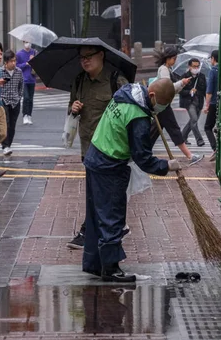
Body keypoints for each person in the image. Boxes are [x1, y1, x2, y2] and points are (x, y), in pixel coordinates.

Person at [82, 78, 181, 282]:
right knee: (112, 216)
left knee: (96, 215)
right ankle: (110, 268)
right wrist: (166, 166)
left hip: (95, 157)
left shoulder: (127, 93)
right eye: (160, 104)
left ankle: (94, 263)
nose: (160, 109)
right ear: (151, 96)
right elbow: (142, 157)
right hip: (109, 166)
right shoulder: (138, 116)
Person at [66, 45, 128, 250]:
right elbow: (71, 109)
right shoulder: (79, 80)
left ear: (101, 55)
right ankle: (109, 229)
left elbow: (130, 112)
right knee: (96, 193)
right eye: (81, 57)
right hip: (88, 147)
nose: (85, 61)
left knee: (103, 193)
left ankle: (94, 232)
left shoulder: (116, 80)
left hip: (110, 149)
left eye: (89, 56)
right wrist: (74, 108)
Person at [150, 47, 203, 165]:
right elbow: (166, 88)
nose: (175, 60)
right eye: (174, 58)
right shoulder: (164, 70)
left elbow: (173, 89)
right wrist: (181, 82)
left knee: (153, 131)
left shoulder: (168, 69)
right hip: (163, 105)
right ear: (168, 58)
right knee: (174, 129)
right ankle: (189, 155)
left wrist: (182, 84)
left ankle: (142, 152)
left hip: (162, 105)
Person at [0, 50, 24, 156]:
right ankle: (5, 146)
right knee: (6, 123)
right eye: (11, 61)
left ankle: (8, 145)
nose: (13, 63)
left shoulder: (19, 71)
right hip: (4, 101)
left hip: (15, 102)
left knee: (12, 126)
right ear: (6, 63)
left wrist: (19, 97)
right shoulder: (0, 72)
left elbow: (21, 86)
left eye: (15, 61)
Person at [179, 58, 207, 147]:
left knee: (192, 121)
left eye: (197, 66)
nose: (196, 68)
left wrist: (208, 103)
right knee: (194, 119)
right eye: (194, 66)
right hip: (189, 102)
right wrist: (189, 91)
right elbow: (180, 91)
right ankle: (199, 140)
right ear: (189, 67)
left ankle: (182, 137)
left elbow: (205, 90)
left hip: (199, 102)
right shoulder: (184, 76)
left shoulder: (201, 76)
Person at [204, 50, 219, 162]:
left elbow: (209, 91)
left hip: (214, 103)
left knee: (207, 127)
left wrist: (207, 105)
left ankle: (215, 148)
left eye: (211, 58)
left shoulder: (213, 71)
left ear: (213, 58)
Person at [16, 41, 36, 125]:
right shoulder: (19, 54)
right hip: (24, 79)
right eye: (26, 42)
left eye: (30, 42)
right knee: (26, 98)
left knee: (31, 99)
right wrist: (26, 63)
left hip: (32, 79)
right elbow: (17, 66)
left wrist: (33, 60)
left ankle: (29, 115)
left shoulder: (34, 52)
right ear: (23, 42)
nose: (28, 44)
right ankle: (25, 115)